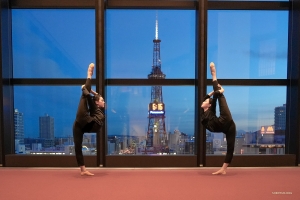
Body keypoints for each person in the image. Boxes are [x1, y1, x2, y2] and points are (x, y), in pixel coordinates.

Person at [201, 62, 236, 175]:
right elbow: (206, 97)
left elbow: (213, 98)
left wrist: (218, 92)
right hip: (225, 127)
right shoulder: (204, 110)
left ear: (209, 105)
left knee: (219, 97)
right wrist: (212, 93)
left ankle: (214, 75)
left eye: (205, 101)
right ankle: (224, 169)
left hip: (225, 120)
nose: (203, 101)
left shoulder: (211, 109)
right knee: (230, 147)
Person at [73, 63, 105, 176]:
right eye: (102, 100)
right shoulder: (94, 105)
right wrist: (86, 90)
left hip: (89, 124)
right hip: (82, 120)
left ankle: (89, 76)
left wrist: (88, 90)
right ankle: (83, 170)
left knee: (85, 93)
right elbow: (94, 97)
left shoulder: (97, 107)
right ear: (97, 102)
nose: (104, 101)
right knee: (84, 96)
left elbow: (97, 96)